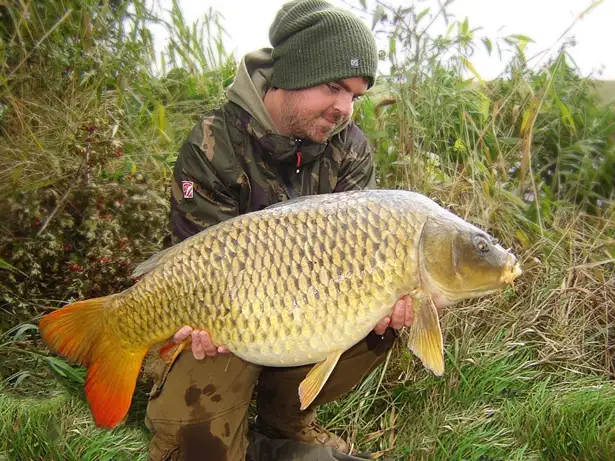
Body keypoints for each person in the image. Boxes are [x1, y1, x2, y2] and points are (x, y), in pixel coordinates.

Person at [144, 1, 414, 460]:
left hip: (308, 306)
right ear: (291, 72)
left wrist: (392, 294)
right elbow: (194, 260)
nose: (344, 108)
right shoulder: (213, 142)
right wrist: (202, 322)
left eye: (356, 95)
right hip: (226, 309)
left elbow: (363, 255)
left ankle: (284, 420)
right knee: (200, 444)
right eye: (333, 87)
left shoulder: (349, 150)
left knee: (383, 315)